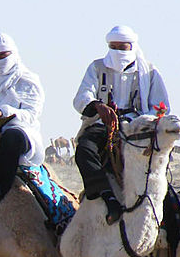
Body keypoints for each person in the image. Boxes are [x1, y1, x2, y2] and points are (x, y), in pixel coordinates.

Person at [72, 25, 170, 224]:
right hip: (103, 125)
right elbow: (82, 96)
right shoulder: (97, 67)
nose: (117, 52)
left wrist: (142, 121)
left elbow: (161, 106)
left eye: (122, 47)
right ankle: (106, 195)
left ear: (132, 47)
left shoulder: (149, 72)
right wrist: (98, 106)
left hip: (137, 127)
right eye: (113, 47)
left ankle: (166, 215)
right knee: (84, 149)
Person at [0, 33, 45, 197]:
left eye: (2, 56)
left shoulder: (28, 80)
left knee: (11, 138)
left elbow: (32, 114)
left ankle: (1, 191)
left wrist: (5, 112)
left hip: (22, 131)